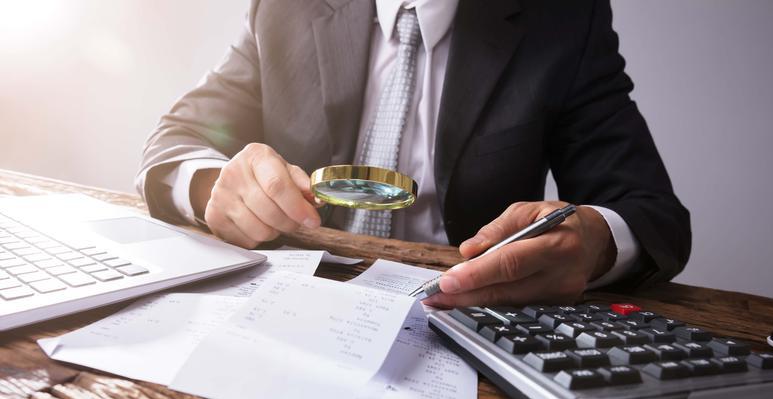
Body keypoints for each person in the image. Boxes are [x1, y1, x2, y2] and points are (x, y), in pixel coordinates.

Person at [136, 0, 691, 308]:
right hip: (283, 296)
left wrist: (592, 241)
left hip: (456, 308)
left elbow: (652, 213)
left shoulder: (563, 19)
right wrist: (214, 184)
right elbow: (177, 136)